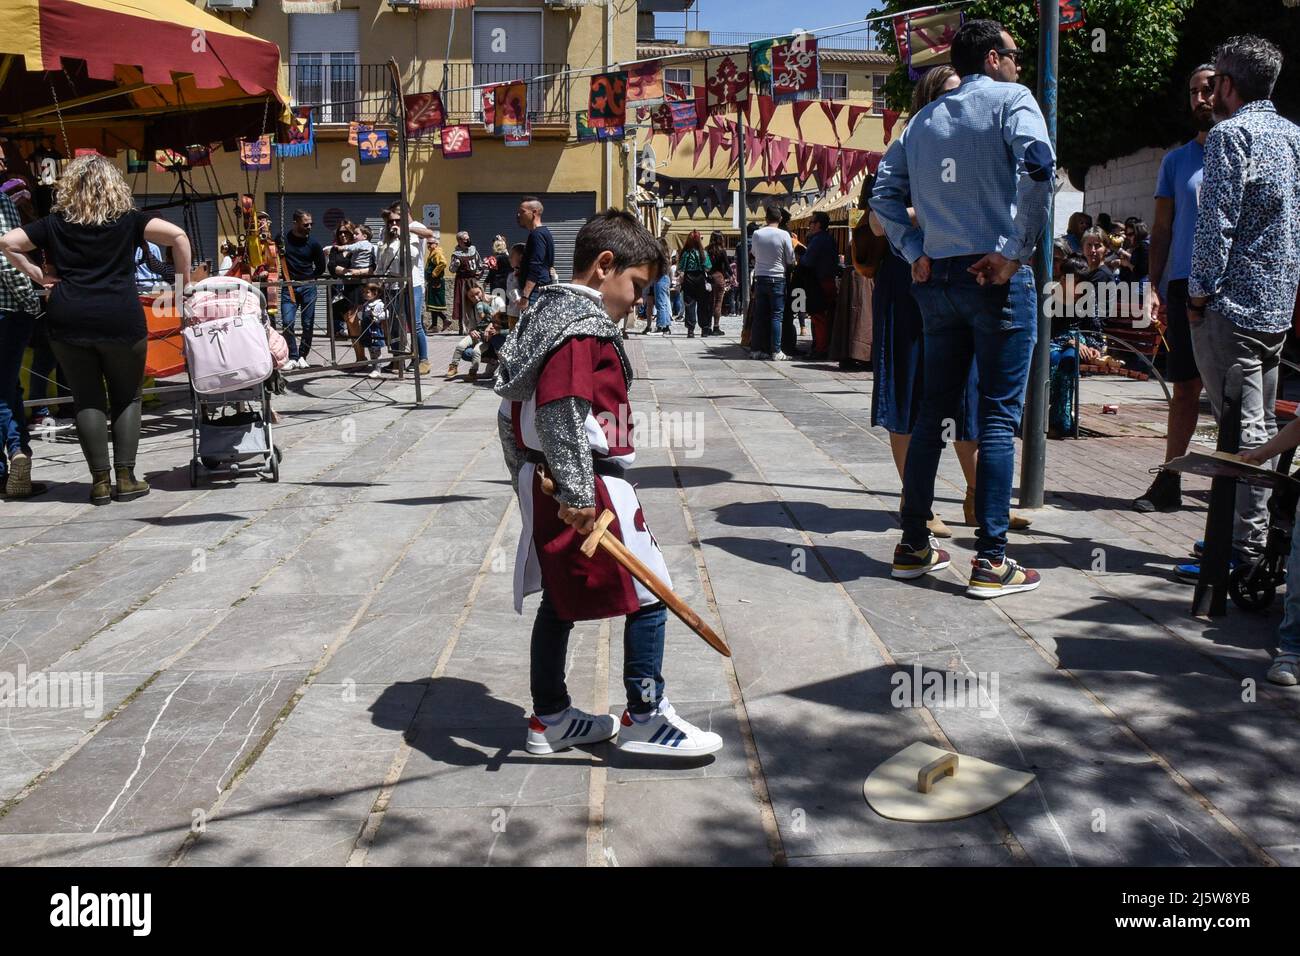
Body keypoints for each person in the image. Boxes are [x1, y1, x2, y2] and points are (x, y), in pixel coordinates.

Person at [493, 208, 724, 758]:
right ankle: (645, 716)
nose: (639, 300)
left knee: (562, 600)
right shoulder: (580, 327)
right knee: (649, 594)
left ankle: (550, 719)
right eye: (637, 285)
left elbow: (507, 414)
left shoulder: (543, 313)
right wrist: (575, 494)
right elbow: (561, 410)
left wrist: (525, 473)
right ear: (604, 266)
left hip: (551, 477)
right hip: (585, 482)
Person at [872, 18, 1053, 598]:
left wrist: (912, 248)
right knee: (998, 417)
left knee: (932, 412)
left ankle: (912, 544)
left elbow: (883, 195)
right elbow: (1040, 168)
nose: (1020, 63)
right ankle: (992, 559)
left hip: (938, 276)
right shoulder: (1011, 100)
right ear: (994, 58)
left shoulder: (922, 120)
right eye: (1015, 53)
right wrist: (1015, 251)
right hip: (992, 276)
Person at [0, 153, 191, 504]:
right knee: (127, 396)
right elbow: (178, 237)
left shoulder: (54, 223)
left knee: (87, 397)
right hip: (120, 316)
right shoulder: (129, 220)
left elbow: (8, 242)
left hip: (68, 317)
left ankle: (99, 482)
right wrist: (182, 288)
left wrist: (40, 275)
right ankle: (126, 477)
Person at [1180, 34, 1300, 584]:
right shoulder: (1293, 136)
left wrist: (1198, 292)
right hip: (1278, 305)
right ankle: (1255, 542)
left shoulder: (1232, 134)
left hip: (1232, 304)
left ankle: (1242, 554)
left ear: (1228, 85)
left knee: (1240, 432)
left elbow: (1218, 220)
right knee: (1263, 430)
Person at [869, 66, 979, 538]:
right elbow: (877, 222)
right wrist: (930, 205)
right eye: (950, 96)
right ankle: (916, 501)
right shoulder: (908, 145)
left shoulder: (973, 147)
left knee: (968, 391)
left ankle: (979, 498)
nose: (960, 105)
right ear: (930, 101)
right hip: (907, 280)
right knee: (909, 390)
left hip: (958, 277)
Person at [1133, 64, 1217, 514]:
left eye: (1207, 89)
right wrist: (1154, 284)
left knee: (1231, 394)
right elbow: (1162, 228)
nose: (1200, 99)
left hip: (1230, 287)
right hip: (1186, 283)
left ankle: (1235, 491)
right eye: (1192, 92)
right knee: (1184, 388)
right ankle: (1170, 479)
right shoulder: (1177, 161)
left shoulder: (1244, 152)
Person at [0, 187, 45, 498]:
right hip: (6, 311)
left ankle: (12, 466)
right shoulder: (1, 202)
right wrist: (31, 302)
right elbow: (7, 260)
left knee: (7, 386)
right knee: (4, 389)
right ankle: (18, 453)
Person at [376, 203, 436, 374]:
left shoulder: (413, 229)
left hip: (412, 283)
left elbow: (423, 242)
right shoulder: (385, 234)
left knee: (414, 323)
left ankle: (423, 360)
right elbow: (382, 259)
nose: (393, 223)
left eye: (397, 218)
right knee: (394, 324)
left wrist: (404, 234)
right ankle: (397, 359)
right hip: (392, 284)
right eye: (390, 220)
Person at [274, 209, 326, 369]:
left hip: (308, 286)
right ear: (295, 223)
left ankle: (303, 355)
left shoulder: (314, 244)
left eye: (311, 224)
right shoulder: (283, 239)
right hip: (289, 286)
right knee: (288, 322)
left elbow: (321, 266)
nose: (309, 227)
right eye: (306, 224)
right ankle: (293, 356)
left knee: (308, 323)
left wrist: (310, 279)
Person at [749, 205, 795, 360]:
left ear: (766, 218)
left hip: (760, 277)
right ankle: (776, 351)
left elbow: (754, 253)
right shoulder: (784, 235)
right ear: (780, 219)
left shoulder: (757, 234)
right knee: (776, 316)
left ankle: (755, 349)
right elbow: (790, 259)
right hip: (778, 278)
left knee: (759, 315)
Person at [802, 211, 840, 359]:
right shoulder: (829, 239)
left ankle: (820, 348)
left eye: (811, 222)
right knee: (826, 317)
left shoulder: (817, 240)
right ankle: (823, 346)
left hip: (820, 282)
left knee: (819, 317)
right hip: (829, 280)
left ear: (818, 224)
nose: (809, 225)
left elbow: (807, 261)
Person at [446, 284, 495, 382]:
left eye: (477, 293)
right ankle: (453, 366)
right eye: (472, 296)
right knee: (460, 346)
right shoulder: (472, 308)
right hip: (478, 334)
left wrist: (490, 326)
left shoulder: (494, 301)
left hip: (490, 338)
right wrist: (472, 331)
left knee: (476, 351)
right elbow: (472, 326)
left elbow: (500, 320)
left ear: (482, 290)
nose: (476, 298)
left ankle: (473, 372)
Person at [517, 197, 556, 313]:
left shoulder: (537, 235)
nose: (519, 215)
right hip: (539, 289)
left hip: (535, 292)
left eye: (522, 212)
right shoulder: (543, 233)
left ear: (534, 212)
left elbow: (536, 266)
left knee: (531, 328)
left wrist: (525, 296)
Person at [678, 230, 710, 338]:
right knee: (703, 304)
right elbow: (708, 267)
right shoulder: (703, 253)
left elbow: (681, 268)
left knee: (689, 304)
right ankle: (704, 328)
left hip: (689, 279)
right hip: (700, 278)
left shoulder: (686, 253)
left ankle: (690, 330)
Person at [450, 231, 481, 335]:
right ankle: (463, 328)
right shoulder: (456, 254)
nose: (468, 240)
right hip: (462, 282)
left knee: (476, 302)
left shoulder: (473, 250)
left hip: (472, 281)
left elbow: (479, 264)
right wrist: (455, 264)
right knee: (462, 304)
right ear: (459, 241)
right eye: (465, 239)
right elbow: (452, 270)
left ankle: (478, 325)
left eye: (468, 238)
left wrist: (481, 271)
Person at [357, 282, 388, 379]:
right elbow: (361, 316)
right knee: (371, 350)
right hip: (367, 330)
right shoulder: (366, 304)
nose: (365, 294)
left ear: (375, 293)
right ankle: (374, 367)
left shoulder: (379, 304)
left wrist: (376, 316)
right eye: (364, 292)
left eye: (367, 292)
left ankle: (377, 369)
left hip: (374, 330)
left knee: (376, 350)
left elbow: (386, 314)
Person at [705, 231, 729, 336]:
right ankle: (716, 327)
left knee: (709, 303)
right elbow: (727, 266)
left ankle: (707, 327)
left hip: (709, 278)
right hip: (719, 277)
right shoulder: (722, 251)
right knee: (718, 303)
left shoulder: (706, 250)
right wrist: (732, 276)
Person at [425, 236, 448, 331]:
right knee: (432, 304)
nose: (429, 245)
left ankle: (445, 320)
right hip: (432, 282)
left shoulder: (437, 253)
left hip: (436, 282)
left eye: (431, 243)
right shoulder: (432, 253)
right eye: (428, 243)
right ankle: (434, 325)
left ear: (436, 244)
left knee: (435, 303)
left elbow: (443, 263)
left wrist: (434, 274)